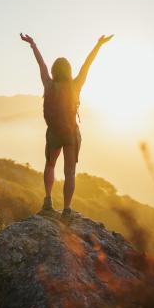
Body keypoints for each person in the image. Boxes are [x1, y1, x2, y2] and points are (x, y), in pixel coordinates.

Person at [20, 33, 113, 221]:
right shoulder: (76, 85)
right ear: (69, 70)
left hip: (53, 133)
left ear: (55, 70)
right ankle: (67, 210)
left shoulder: (48, 84)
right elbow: (88, 65)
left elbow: (41, 65)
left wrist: (33, 44)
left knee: (50, 164)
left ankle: (47, 202)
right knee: (69, 172)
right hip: (71, 133)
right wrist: (99, 45)